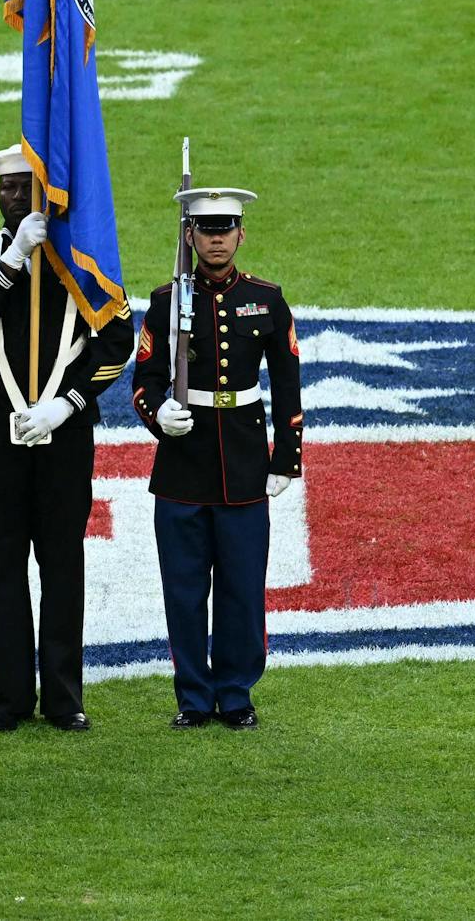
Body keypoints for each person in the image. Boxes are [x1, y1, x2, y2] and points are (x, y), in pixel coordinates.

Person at [0, 144, 135, 733]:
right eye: (6, 189)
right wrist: (14, 260)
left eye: (26, 189)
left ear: (47, 193)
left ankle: (63, 697)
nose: (15, 199)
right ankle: (7, 698)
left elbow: (118, 340)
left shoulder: (81, 258)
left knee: (61, 560)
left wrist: (68, 403)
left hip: (64, 432)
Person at [131, 186, 303, 730]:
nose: (217, 241)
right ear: (191, 236)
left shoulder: (267, 299)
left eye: (226, 230)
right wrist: (158, 415)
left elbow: (288, 385)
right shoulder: (167, 301)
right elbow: (145, 379)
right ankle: (193, 698)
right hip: (183, 465)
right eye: (206, 231)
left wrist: (285, 459)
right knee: (183, 591)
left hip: (246, 465)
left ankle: (236, 693)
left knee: (242, 588)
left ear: (241, 235)